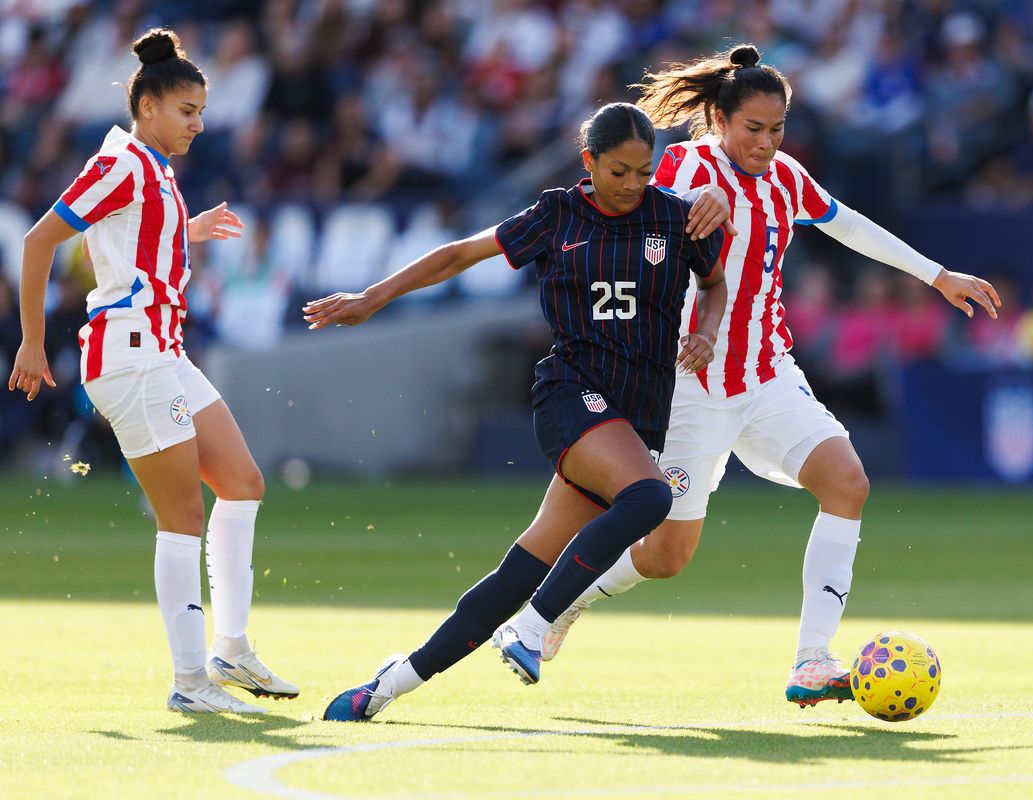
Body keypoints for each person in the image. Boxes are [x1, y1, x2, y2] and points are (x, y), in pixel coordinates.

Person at [541, 44, 1000, 708]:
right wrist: (686, 205)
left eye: (776, 128)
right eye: (752, 129)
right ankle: (565, 598)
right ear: (720, 121)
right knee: (668, 556)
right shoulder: (681, 164)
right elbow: (638, 208)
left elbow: (851, 227)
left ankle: (813, 660)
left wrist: (937, 275)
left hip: (766, 376)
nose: (764, 142)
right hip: (691, 389)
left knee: (848, 482)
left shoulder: (787, 178)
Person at [310, 102, 729, 721]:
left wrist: (708, 331)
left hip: (637, 415)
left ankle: (389, 685)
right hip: (571, 392)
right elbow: (459, 254)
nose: (634, 185)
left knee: (519, 572)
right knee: (651, 499)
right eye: (620, 171)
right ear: (588, 162)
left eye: (644, 172)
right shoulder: (555, 214)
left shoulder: (677, 218)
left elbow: (715, 283)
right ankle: (535, 627)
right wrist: (374, 298)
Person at [7, 29, 297, 714]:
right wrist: (29, 342)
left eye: (201, 111)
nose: (198, 123)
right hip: (130, 356)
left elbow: (133, 236)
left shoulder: (152, 169)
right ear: (148, 108)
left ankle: (229, 649)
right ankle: (191, 682)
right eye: (186, 110)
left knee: (243, 482)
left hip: (161, 351)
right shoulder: (124, 162)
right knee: (182, 514)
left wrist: (186, 229)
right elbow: (39, 239)